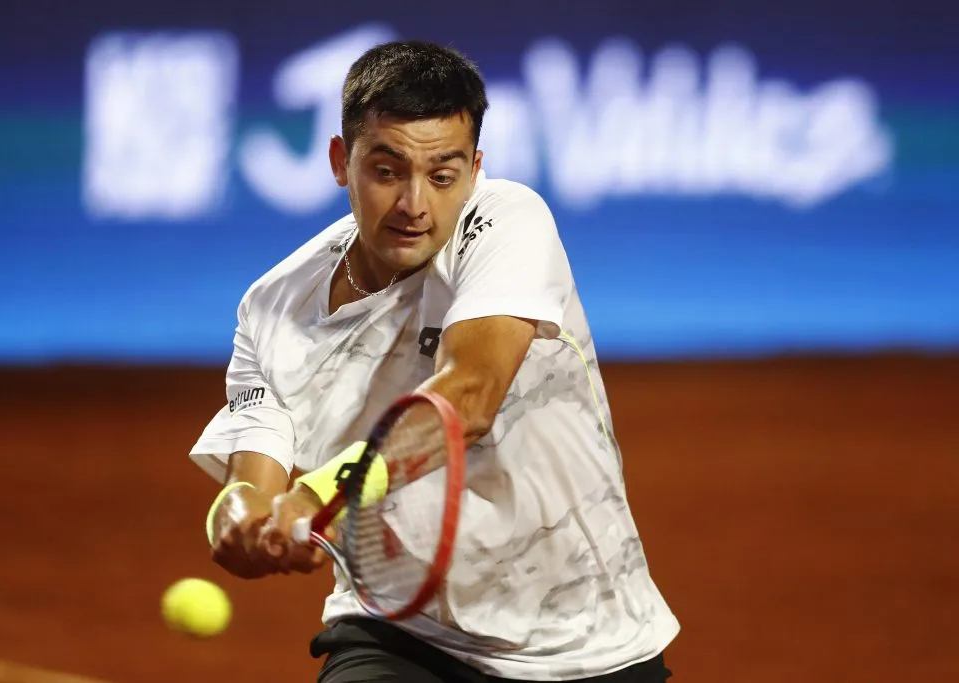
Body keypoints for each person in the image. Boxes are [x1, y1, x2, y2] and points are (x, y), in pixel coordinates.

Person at [188, 40, 679, 682]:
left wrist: (317, 493)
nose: (415, 204)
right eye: (387, 171)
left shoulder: (508, 220)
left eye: (442, 175)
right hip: (397, 630)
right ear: (342, 161)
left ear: (474, 170)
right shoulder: (271, 307)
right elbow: (253, 480)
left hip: (584, 639)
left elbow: (467, 397)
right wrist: (237, 522)